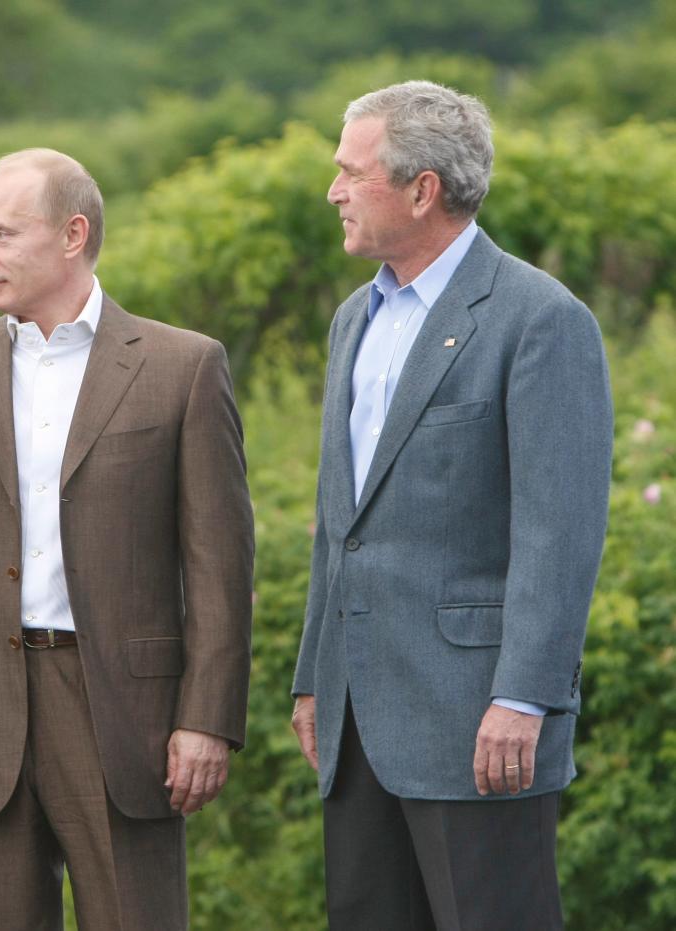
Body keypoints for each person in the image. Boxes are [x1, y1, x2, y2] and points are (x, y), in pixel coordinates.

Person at [0, 148, 254, 930]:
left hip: (125, 711)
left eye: (2, 235)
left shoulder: (184, 367)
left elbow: (219, 565)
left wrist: (207, 716)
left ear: (73, 234)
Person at [290, 81, 613, 929]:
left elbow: (559, 531)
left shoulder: (541, 319)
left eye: (350, 172)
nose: (333, 191)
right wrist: (313, 676)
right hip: (357, 721)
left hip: (481, 721)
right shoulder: (351, 321)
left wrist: (526, 697)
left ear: (421, 188)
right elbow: (341, 525)